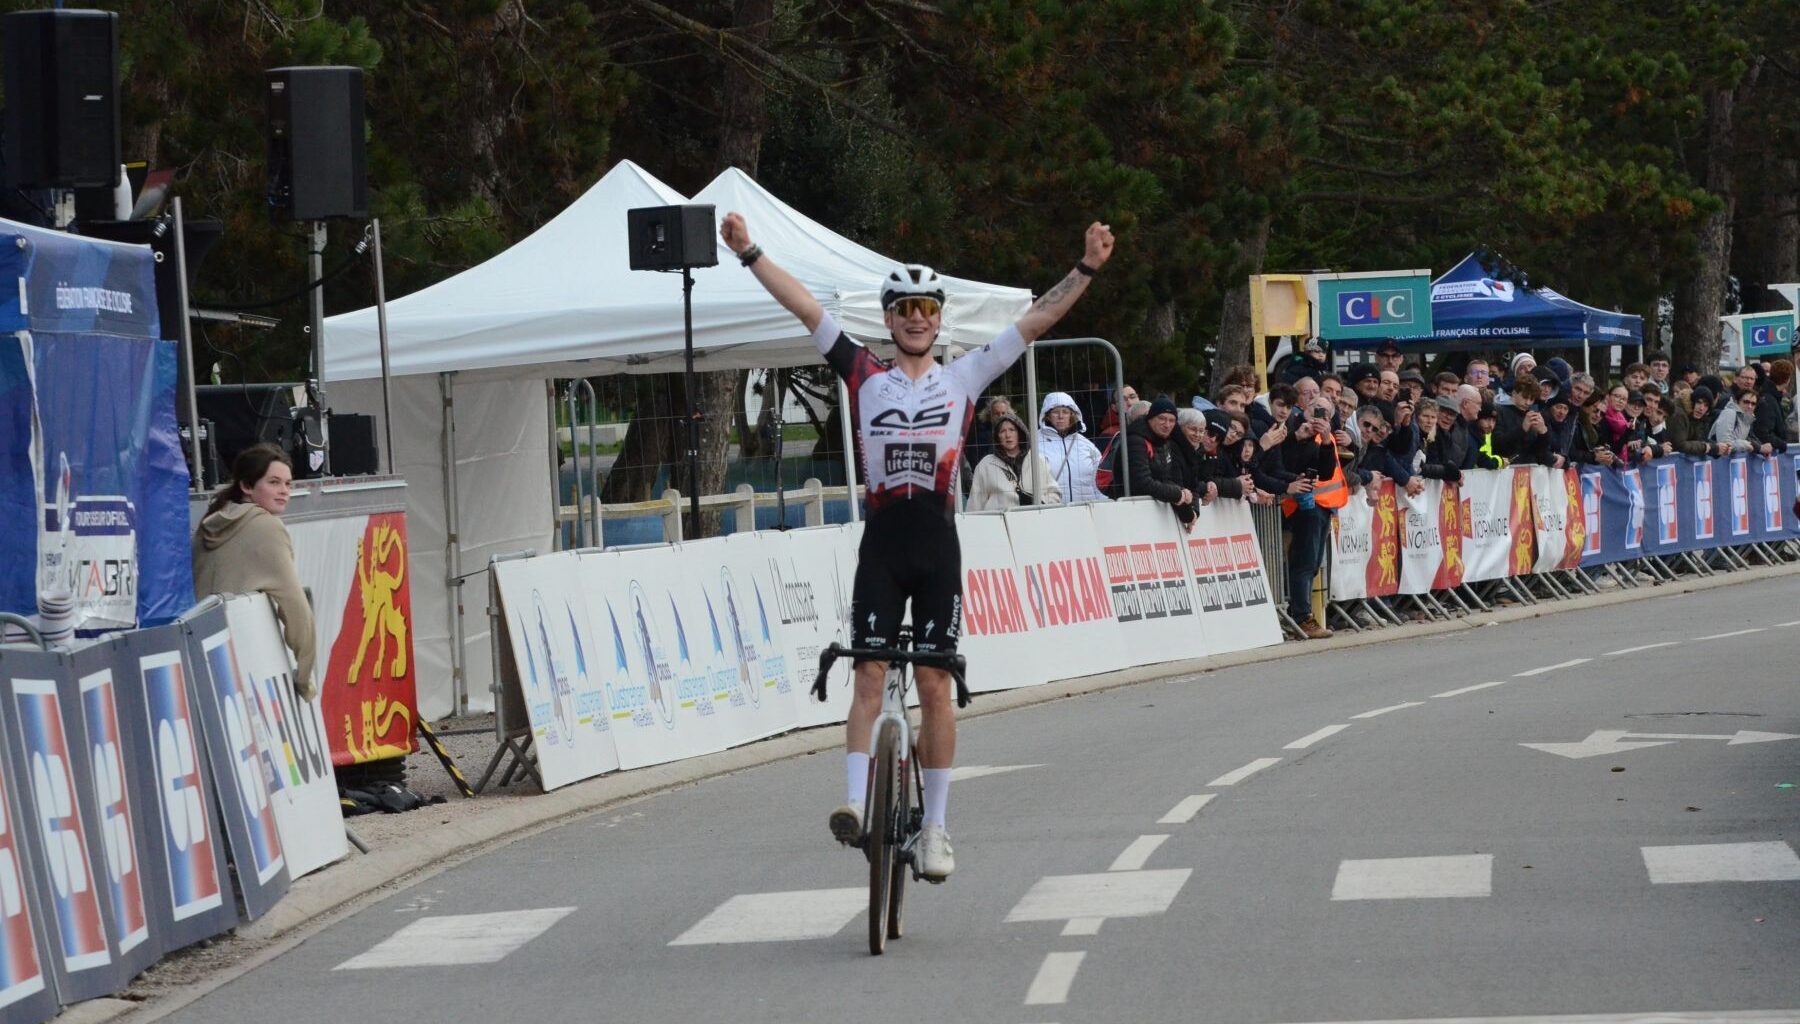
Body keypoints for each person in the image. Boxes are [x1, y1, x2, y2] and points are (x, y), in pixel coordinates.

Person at [721, 210, 1114, 881]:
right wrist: (750, 251)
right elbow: (804, 305)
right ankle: (852, 804)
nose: (915, 318)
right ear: (889, 318)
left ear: (938, 319)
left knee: (935, 684)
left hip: (937, 545)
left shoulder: (963, 378)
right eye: (903, 308)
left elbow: (1035, 323)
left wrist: (1084, 269)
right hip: (882, 542)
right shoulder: (861, 371)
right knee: (868, 672)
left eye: (925, 308)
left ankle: (935, 829)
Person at [192, 443, 317, 701]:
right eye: (274, 482)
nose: (284, 491)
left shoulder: (210, 523)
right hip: (244, 670)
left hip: (201, 661)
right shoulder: (266, 527)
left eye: (288, 484)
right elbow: (296, 608)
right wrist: (304, 678)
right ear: (247, 486)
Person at [1277, 398, 1347, 639]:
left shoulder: (1324, 436)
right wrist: (1300, 436)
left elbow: (1327, 470)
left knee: (1313, 563)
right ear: (1304, 408)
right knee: (1304, 563)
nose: (1319, 416)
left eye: (1325, 413)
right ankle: (1301, 616)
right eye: (1315, 409)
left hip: (1323, 506)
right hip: (1304, 506)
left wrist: (1326, 440)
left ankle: (1303, 615)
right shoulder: (1294, 429)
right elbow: (1285, 461)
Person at [1124, 397, 1199, 527]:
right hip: (1130, 514)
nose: (1167, 424)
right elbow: (1142, 483)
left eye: (1172, 420)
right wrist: (1177, 494)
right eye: (1162, 418)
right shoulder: (1136, 440)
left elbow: (1166, 479)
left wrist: (1188, 513)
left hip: (1150, 516)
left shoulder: (1163, 441)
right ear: (1151, 418)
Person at [968, 412, 1060, 511]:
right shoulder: (985, 465)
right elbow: (975, 504)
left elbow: (1054, 494)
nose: (1008, 435)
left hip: (1033, 521)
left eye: (1012, 430)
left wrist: (1039, 503)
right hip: (998, 523)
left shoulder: (1037, 460)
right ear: (997, 436)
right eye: (1002, 431)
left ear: (1020, 433)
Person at [1039, 392, 1107, 504]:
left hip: (1086, 510)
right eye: (1056, 412)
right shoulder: (1036, 443)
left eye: (1065, 412)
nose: (1061, 416)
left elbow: (1100, 478)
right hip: (1051, 511)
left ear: (1072, 415)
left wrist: (1103, 504)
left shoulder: (1086, 444)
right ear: (1047, 415)